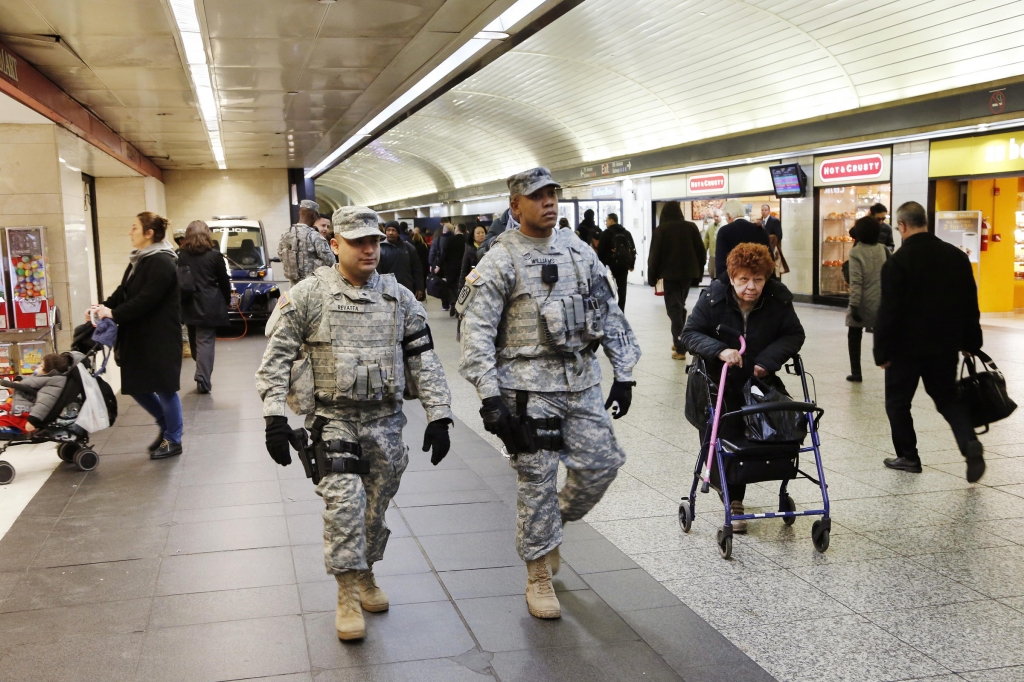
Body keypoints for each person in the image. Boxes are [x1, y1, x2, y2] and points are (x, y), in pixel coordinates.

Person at [256, 206, 454, 642]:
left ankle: (365, 572)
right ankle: (347, 592)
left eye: (374, 241)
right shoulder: (309, 295)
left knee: (374, 509)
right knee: (343, 505)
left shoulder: (399, 298)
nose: (369, 249)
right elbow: (277, 359)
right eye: (358, 241)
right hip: (333, 421)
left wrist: (440, 414)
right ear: (335, 246)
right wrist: (274, 415)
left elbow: (423, 359)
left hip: (386, 423)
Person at [458, 167, 641, 620]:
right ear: (516, 205)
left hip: (581, 383)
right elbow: (476, 331)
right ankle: (538, 573)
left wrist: (624, 371)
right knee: (536, 480)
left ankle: (553, 523)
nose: (549, 202)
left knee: (602, 463)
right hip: (525, 391)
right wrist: (489, 397)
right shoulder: (501, 258)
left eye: (553, 194)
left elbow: (607, 307)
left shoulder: (577, 250)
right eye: (537, 196)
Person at [680, 243, 805, 532]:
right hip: (716, 383)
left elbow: (793, 334)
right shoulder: (713, 298)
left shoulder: (777, 299)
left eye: (758, 280)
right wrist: (721, 350)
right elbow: (690, 334)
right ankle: (734, 499)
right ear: (732, 277)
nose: (751, 287)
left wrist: (767, 361)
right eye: (744, 280)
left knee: (760, 438)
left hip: (758, 380)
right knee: (725, 436)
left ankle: (739, 487)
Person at [874, 201, 985, 482]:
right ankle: (969, 444)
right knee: (947, 398)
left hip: (904, 349)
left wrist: (882, 351)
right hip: (945, 346)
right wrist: (971, 341)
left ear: (902, 226)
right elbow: (969, 304)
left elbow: (888, 311)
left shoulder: (897, 262)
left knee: (898, 403)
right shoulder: (956, 257)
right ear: (925, 221)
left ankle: (908, 456)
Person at [90, 212, 183, 460]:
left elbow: (147, 299)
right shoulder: (141, 259)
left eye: (134, 227)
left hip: (159, 337)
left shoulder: (162, 261)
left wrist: (114, 313)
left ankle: (173, 439)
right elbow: (125, 291)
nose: (130, 232)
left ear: (149, 233)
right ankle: (166, 426)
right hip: (141, 336)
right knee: (137, 385)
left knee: (165, 388)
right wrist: (103, 306)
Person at [178, 220, 231, 394]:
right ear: (206, 234)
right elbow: (223, 281)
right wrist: (226, 299)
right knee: (205, 342)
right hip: (210, 303)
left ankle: (202, 376)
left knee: (196, 340)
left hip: (188, 302)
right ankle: (203, 374)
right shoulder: (214, 255)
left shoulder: (181, 255)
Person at [647, 201, 706, 360]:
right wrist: (698, 273)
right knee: (679, 307)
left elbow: (654, 256)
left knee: (674, 309)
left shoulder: (661, 230)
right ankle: (680, 338)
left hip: (670, 275)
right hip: (687, 275)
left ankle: (680, 347)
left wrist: (652, 277)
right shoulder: (691, 227)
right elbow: (701, 252)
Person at [844, 216, 887, 383]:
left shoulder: (856, 252)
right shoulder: (883, 249)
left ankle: (856, 372)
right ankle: (883, 363)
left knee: (854, 335)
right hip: (881, 301)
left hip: (862, 302)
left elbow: (856, 281)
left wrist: (854, 306)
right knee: (880, 335)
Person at [0, 353, 72, 434]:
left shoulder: (52, 383)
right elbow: (30, 379)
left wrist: (32, 421)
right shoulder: (43, 377)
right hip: (20, 404)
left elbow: (44, 404)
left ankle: (12, 429)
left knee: (4, 420)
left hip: (27, 413)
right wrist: (19, 379)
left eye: (41, 366)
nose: (38, 366)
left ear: (50, 371)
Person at [279, 199, 336, 285]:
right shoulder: (314, 236)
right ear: (315, 215)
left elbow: (281, 255)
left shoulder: (286, 234)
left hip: (293, 286)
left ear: (299, 213)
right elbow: (331, 261)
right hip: (313, 287)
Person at [715, 199, 770, 282]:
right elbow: (769, 261)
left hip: (735, 283)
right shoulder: (760, 230)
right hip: (759, 283)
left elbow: (721, 265)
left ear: (728, 215)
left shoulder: (724, 231)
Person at [596, 213, 636, 312]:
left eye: (606, 220)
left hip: (610, 267)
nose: (606, 223)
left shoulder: (606, 233)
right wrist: (631, 264)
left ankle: (610, 311)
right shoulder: (626, 233)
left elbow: (601, 252)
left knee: (609, 290)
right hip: (623, 266)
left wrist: (602, 266)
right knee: (622, 291)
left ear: (611, 220)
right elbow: (632, 249)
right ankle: (621, 311)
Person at [377, 221, 424, 300]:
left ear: (398, 233)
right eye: (388, 230)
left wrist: (419, 287)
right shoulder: (380, 248)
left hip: (407, 288)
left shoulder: (408, 248)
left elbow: (417, 269)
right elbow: (378, 272)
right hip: (387, 290)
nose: (390, 232)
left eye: (393, 230)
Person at [440, 224, 467, 315]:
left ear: (457, 229)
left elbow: (444, 254)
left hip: (450, 268)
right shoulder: (467, 240)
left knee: (450, 286)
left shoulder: (450, 240)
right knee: (460, 286)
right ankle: (459, 307)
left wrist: (439, 265)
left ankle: (452, 302)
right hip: (463, 267)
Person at [760, 204, 787, 276]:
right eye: (762, 210)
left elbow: (779, 235)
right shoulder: (760, 222)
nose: (764, 212)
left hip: (773, 248)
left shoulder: (774, 221)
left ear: (769, 211)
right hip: (762, 249)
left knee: (774, 269)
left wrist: (770, 238)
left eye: (765, 210)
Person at [703, 214, 720, 280]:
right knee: (712, 272)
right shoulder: (710, 226)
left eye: (717, 216)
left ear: (721, 215)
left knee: (720, 273)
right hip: (712, 255)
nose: (716, 218)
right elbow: (706, 240)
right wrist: (704, 252)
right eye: (714, 216)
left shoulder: (725, 225)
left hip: (722, 255)